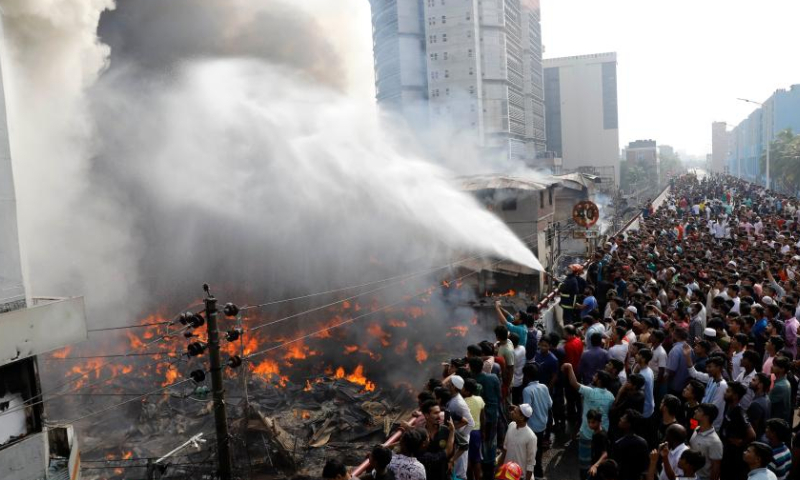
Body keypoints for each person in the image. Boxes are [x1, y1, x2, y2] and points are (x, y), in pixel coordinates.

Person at [562, 363, 615, 476]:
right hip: (602, 432)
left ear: (599, 381)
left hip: (587, 433)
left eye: (596, 376)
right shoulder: (611, 396)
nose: (593, 377)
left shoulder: (590, 391)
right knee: (598, 458)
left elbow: (573, 383)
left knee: (584, 462)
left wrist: (570, 367)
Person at [469, 357, 501, 479]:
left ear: (472, 369)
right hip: (493, 415)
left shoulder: (473, 382)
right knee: (491, 441)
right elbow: (499, 395)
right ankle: (491, 468)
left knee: (483, 443)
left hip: (481, 417)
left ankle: (485, 468)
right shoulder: (493, 377)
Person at [684, 344, 727, 430]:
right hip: (701, 421)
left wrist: (698, 412)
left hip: (709, 426)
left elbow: (713, 408)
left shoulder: (722, 386)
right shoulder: (710, 379)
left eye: (710, 367)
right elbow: (694, 373)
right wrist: (687, 356)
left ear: (718, 368)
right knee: (691, 433)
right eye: (707, 367)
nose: (707, 369)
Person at [720, 382, 756, 480]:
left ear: (735, 396)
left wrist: (740, 442)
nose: (725, 393)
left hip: (735, 458)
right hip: (726, 452)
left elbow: (752, 435)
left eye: (728, 391)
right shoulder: (728, 407)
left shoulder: (739, 412)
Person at [521, 364, 551, 480]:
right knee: (537, 449)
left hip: (532, 426)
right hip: (543, 423)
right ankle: (537, 472)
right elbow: (549, 404)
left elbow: (526, 411)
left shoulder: (527, 390)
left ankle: (535, 473)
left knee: (532, 452)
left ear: (527, 376)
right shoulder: (544, 387)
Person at [498, 404, 537, 480]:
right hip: (506, 474)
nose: (512, 412)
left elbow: (530, 464)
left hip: (520, 477)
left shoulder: (531, 437)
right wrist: (498, 467)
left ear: (522, 417)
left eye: (515, 412)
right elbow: (505, 449)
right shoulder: (511, 425)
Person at [612, 410, 650, 480]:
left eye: (623, 418)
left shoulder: (618, 444)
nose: (620, 418)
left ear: (628, 424)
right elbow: (645, 468)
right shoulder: (643, 442)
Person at [689, 404, 723, 480]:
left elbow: (716, 469)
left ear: (706, 417)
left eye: (699, 411)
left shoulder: (715, 442)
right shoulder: (696, 429)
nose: (695, 411)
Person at [463, 379, 485, 480]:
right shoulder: (479, 399)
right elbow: (483, 418)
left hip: (466, 433)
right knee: (476, 459)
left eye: (463, 388)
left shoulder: (462, 402)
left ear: (467, 391)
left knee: (467, 459)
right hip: (477, 432)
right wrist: (483, 432)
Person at [585, 409, 610, 480]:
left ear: (599, 421)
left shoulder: (601, 435)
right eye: (589, 422)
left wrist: (595, 465)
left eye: (593, 422)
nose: (590, 425)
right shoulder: (596, 433)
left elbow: (605, 454)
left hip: (600, 467)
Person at [768, 357, 793, 426]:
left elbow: (768, 403)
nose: (772, 367)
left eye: (775, 365)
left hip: (776, 424)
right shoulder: (784, 382)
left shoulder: (779, 386)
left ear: (782, 369)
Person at [748, 373, 772, 441]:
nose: (751, 381)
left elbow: (753, 428)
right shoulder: (766, 398)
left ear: (760, 385)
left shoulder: (756, 404)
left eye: (754, 380)